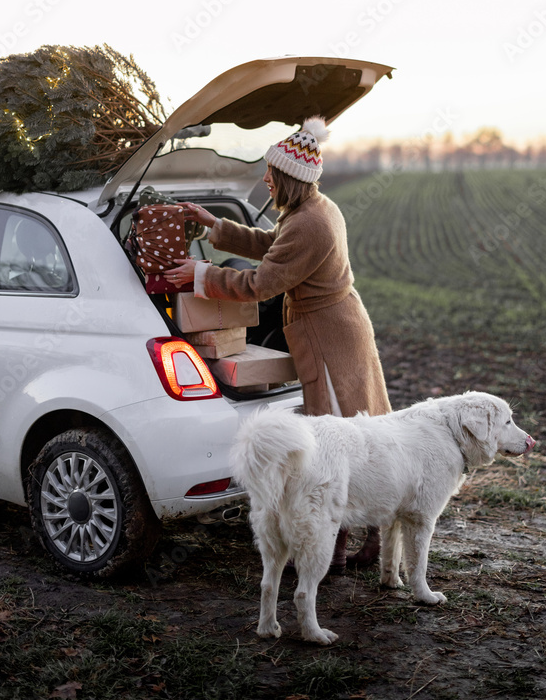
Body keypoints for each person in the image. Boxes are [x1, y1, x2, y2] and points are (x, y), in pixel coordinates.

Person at [167, 116, 391, 571]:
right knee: (362, 431)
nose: (265, 177)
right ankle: (373, 542)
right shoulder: (312, 210)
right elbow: (272, 244)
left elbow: (262, 283)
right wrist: (216, 226)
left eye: (271, 171)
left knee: (338, 440)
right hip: (339, 328)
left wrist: (200, 274)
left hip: (329, 339)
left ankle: (341, 548)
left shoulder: (311, 224)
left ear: (289, 178)